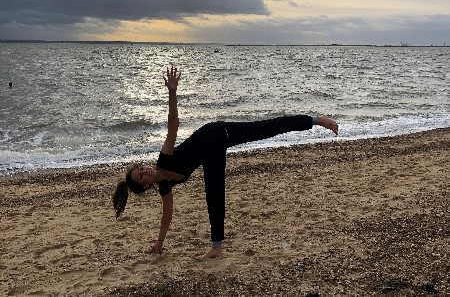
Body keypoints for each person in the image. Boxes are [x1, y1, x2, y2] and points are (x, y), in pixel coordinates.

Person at [112, 66, 338, 259]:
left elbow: (173, 125)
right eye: (141, 175)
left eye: (141, 168)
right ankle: (216, 248)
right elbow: (166, 217)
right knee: (214, 195)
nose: (145, 170)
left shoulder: (164, 159)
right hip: (210, 157)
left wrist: (172, 92)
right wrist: (159, 244)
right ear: (145, 186)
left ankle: (316, 120)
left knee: (266, 128)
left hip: (216, 134)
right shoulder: (165, 187)